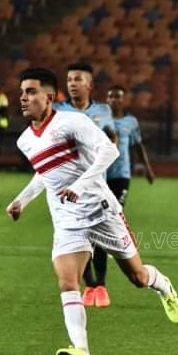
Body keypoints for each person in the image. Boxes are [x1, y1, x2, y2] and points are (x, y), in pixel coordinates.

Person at [5, 67, 178, 355]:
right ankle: (82, 351)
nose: (23, 98)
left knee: (138, 278)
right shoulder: (25, 140)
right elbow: (45, 173)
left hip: (100, 211)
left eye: (31, 91)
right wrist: (21, 200)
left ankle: (163, 286)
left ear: (49, 96)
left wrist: (79, 186)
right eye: (22, 92)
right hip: (67, 220)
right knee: (67, 281)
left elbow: (109, 151)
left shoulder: (71, 122)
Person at [82, 84, 157, 307]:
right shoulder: (98, 119)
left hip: (121, 175)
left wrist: (147, 168)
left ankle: (101, 278)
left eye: (118, 97)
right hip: (99, 176)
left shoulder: (130, 122)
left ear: (124, 100)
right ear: (107, 99)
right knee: (93, 224)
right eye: (111, 96)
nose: (114, 100)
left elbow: (138, 146)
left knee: (110, 216)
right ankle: (93, 281)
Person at [54, 61, 118, 305]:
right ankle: (89, 285)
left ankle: (100, 285)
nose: (72, 84)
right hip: (67, 187)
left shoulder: (103, 111)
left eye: (78, 79)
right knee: (77, 237)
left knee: (99, 237)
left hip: (95, 185)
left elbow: (111, 137)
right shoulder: (58, 110)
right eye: (69, 79)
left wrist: (105, 152)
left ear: (89, 85)